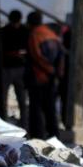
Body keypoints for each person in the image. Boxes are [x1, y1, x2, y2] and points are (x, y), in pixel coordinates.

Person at [26, 11, 64, 139]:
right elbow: (61, 55)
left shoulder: (34, 34)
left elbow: (36, 56)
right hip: (51, 77)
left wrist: (48, 69)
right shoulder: (51, 34)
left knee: (36, 107)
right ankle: (54, 134)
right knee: (50, 107)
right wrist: (57, 72)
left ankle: (37, 135)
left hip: (39, 76)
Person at [0, 10, 29, 127]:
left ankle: (4, 120)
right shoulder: (25, 31)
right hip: (16, 68)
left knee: (7, 97)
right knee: (20, 98)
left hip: (9, 68)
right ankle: (22, 123)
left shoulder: (3, 31)